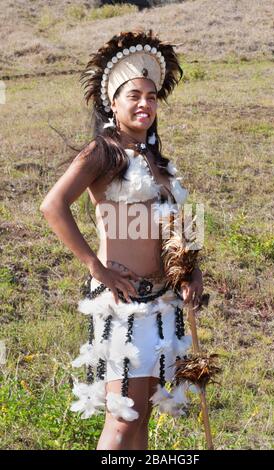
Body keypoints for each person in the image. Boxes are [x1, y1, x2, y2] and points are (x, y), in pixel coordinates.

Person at [40, 29, 203, 450]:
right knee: (121, 421)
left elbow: (181, 221)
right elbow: (52, 206)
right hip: (123, 304)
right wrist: (96, 267)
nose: (145, 104)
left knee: (141, 416)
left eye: (151, 96)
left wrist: (192, 272)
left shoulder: (158, 160)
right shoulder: (103, 151)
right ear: (113, 102)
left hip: (164, 302)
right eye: (134, 95)